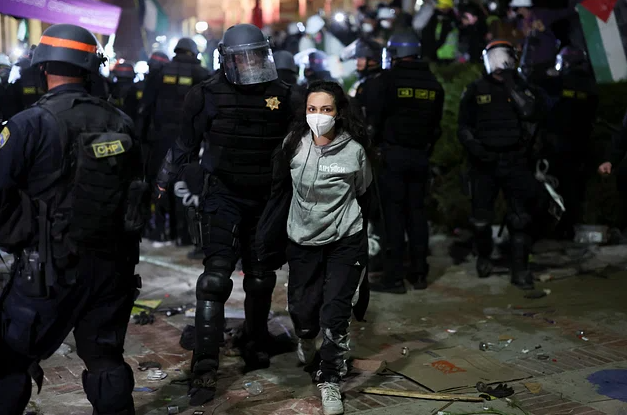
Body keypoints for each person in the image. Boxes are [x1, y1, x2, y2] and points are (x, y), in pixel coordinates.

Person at [0, 23, 146, 415]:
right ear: (89, 67)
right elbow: (137, 196)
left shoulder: (28, 124)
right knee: (105, 362)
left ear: (43, 65)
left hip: (50, 271)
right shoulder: (120, 122)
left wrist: (25, 233)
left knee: (8, 361)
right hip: (111, 268)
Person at [155, 23, 293, 406]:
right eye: (242, 58)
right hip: (224, 196)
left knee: (262, 279)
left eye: (256, 56)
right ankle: (204, 365)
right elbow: (184, 145)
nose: (250, 64)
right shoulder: (205, 95)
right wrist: (161, 184)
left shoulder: (284, 96)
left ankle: (256, 341)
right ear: (225, 60)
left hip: (265, 199)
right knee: (214, 281)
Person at [282, 80, 372, 415]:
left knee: (335, 310)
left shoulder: (355, 150)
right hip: (302, 239)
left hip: (345, 238)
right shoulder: (293, 144)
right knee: (305, 309)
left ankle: (330, 376)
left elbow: (363, 188)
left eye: (326, 109)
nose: (318, 116)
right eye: (312, 109)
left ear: (338, 112)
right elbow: (279, 190)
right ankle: (306, 336)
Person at [458, 40, 543, 290]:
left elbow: (532, 114)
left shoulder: (521, 88)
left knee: (520, 217)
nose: (498, 63)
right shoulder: (475, 89)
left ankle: (520, 270)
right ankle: (484, 256)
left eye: (503, 57)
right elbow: (463, 126)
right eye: (493, 57)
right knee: (481, 219)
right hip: (484, 164)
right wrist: (475, 148)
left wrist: (511, 85)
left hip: (515, 161)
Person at [368, 31, 445, 293]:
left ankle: (394, 278)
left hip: (393, 156)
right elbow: (436, 126)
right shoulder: (433, 84)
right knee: (417, 215)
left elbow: (374, 122)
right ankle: (419, 274)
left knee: (393, 218)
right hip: (420, 156)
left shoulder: (386, 81)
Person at [139, 38, 210, 244]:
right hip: (189, 141)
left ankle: (161, 231)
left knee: (160, 183)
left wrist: (143, 139)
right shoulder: (202, 74)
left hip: (160, 139)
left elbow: (146, 108)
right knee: (186, 186)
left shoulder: (160, 72)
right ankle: (185, 234)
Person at [540, 46, 598, 239]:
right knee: (575, 186)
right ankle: (570, 224)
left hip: (559, 144)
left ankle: (558, 226)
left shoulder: (559, 82)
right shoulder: (590, 84)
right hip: (582, 143)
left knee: (558, 186)